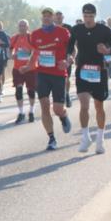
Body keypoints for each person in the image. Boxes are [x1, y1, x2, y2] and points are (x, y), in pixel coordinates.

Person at [66, 3, 111, 154]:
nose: (87, 19)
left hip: (98, 71)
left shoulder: (104, 30)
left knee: (99, 107)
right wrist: (69, 57)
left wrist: (106, 50)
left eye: (90, 16)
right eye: (85, 16)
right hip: (82, 71)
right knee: (83, 105)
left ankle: (100, 139)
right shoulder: (76, 30)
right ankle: (85, 137)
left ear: (95, 16)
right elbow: (69, 47)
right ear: (82, 16)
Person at [23, 8, 72, 150]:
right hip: (42, 74)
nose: (46, 18)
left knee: (57, 109)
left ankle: (63, 116)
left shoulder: (63, 33)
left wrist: (68, 61)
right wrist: (28, 66)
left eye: (49, 16)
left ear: (53, 18)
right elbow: (34, 53)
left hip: (58, 74)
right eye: (44, 16)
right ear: (41, 18)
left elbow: (72, 49)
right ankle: (51, 138)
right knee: (44, 105)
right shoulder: (35, 34)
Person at [10, 19, 37, 123]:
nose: (22, 28)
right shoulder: (14, 38)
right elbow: (10, 50)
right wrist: (12, 55)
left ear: (27, 27)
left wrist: (29, 52)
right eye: (20, 26)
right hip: (18, 69)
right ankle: (21, 113)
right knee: (19, 90)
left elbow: (36, 51)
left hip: (31, 68)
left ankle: (31, 111)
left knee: (31, 91)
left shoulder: (32, 38)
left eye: (24, 26)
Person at [54, 11, 75, 107]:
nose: (58, 18)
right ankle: (59, 97)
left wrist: (72, 56)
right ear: (54, 18)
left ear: (63, 17)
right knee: (56, 79)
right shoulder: (51, 29)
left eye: (60, 16)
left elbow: (74, 45)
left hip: (66, 56)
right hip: (54, 58)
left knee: (66, 78)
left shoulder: (69, 28)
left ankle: (66, 95)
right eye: (56, 16)